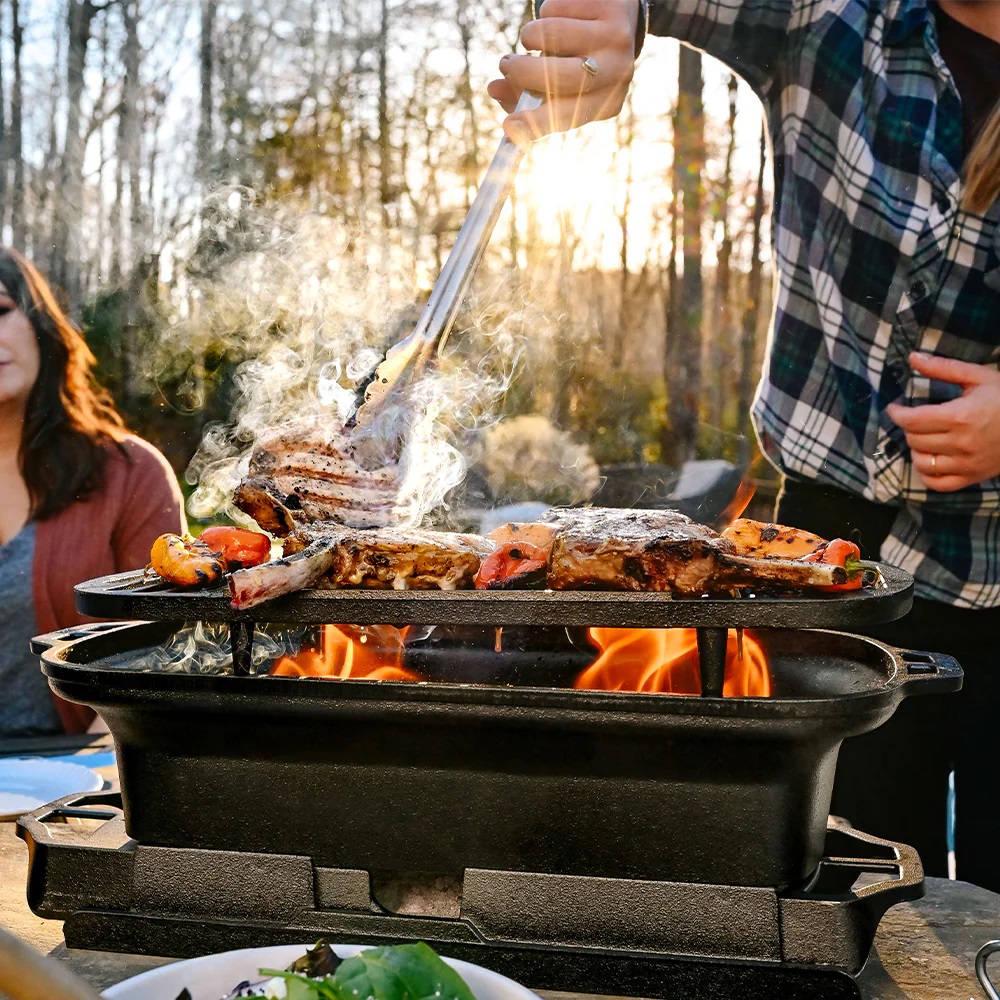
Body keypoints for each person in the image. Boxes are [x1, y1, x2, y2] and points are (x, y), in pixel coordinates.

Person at [490, 1, 1000, 890]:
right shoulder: (826, 11)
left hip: (992, 548)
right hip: (826, 560)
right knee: (839, 883)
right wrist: (614, 15)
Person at [0, 247, 184, 737]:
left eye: (1, 311)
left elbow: (170, 642)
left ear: (39, 325)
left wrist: (99, 758)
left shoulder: (129, 472)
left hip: (82, 778)